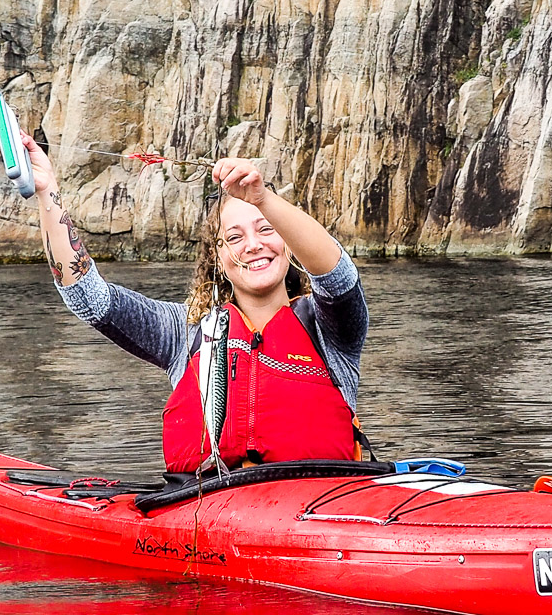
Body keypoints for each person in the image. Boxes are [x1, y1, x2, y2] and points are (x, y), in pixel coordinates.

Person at [21, 135, 370, 475]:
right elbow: (88, 296)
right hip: (212, 509)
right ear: (217, 258)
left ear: (290, 242)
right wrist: (46, 191)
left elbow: (338, 276)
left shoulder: (330, 328)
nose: (252, 245)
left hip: (324, 506)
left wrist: (263, 199)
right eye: (234, 237)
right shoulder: (184, 331)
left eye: (266, 230)